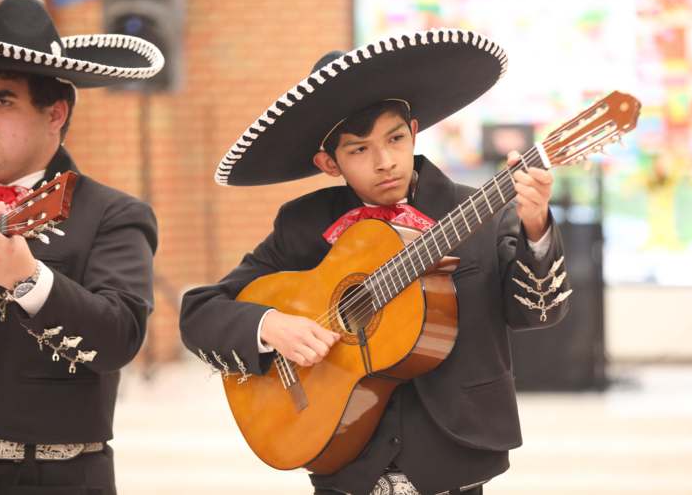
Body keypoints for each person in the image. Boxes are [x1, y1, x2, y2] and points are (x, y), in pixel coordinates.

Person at [180, 28, 571, 495]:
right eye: (359, 149)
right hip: (343, 461)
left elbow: (539, 312)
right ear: (329, 164)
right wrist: (270, 326)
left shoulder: (479, 212)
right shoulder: (304, 224)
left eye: (395, 138)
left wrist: (536, 227)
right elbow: (200, 312)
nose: (385, 161)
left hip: (453, 456)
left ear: (414, 133)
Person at [0, 0, 163, 494]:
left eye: (2, 101)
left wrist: (28, 279)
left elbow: (120, 337)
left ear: (55, 113)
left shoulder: (113, 214)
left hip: (54, 476)